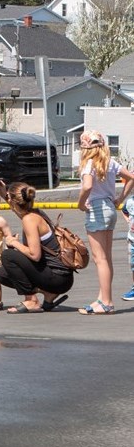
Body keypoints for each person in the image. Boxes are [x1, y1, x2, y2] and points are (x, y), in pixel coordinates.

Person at [75, 130, 134, 314]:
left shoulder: (89, 165)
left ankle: (106, 302)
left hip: (96, 210)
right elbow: (131, 177)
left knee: (99, 259)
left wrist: (81, 204)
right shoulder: (110, 162)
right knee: (106, 259)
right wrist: (120, 198)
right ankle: (103, 297)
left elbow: (88, 186)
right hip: (109, 208)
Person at [0, 181, 74, 313]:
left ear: (16, 202)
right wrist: (4, 194)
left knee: (8, 256)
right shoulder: (34, 213)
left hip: (58, 278)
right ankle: (49, 294)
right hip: (61, 277)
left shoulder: (29, 220)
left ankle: (32, 300)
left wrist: (14, 243)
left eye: (10, 199)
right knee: (2, 274)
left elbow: (35, 255)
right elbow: (19, 210)